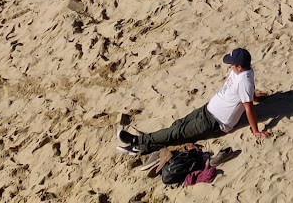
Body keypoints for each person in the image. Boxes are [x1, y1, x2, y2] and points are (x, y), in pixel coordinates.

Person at [115, 48, 270, 156]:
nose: (229, 66)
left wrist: (256, 131)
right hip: (207, 109)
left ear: (239, 66)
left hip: (216, 123)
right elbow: (246, 94)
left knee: (176, 133)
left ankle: (138, 142)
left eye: (232, 64)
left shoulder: (245, 81)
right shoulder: (243, 72)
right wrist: (254, 96)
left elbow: (249, 109)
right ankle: (148, 145)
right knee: (178, 124)